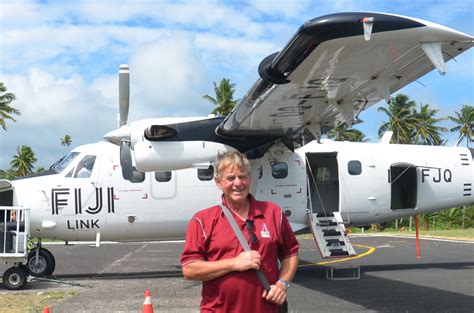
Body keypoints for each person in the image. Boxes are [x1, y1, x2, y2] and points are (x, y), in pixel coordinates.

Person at [181, 151, 299, 313]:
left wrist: (282, 284)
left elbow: (290, 252)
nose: (238, 183)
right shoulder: (202, 220)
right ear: (218, 182)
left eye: (242, 176)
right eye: (230, 178)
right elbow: (189, 269)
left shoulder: (273, 213)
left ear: (250, 179)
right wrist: (234, 263)